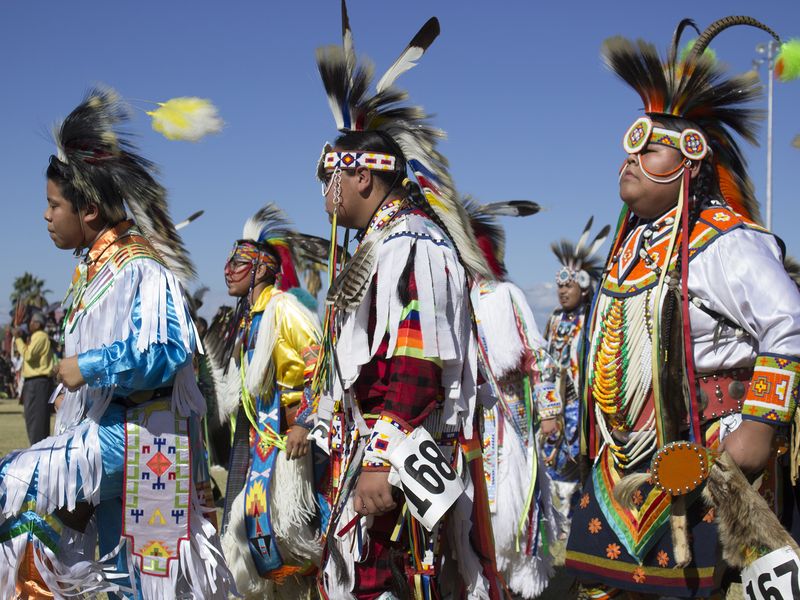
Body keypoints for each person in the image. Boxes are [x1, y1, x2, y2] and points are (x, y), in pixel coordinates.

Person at [564, 17, 800, 598]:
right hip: (625, 464)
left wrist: (758, 427)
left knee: (712, 587)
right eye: (628, 147)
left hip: (714, 450)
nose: (630, 158)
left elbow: (789, 323)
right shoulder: (629, 248)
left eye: (650, 148)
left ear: (691, 163)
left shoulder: (724, 242)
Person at [0, 87, 232, 599]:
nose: (44, 215)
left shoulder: (141, 267)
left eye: (52, 204)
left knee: (11, 485)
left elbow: (172, 351)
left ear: (89, 211)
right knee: (126, 576)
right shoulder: (95, 272)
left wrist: (92, 364)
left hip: (138, 440)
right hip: (114, 441)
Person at [313, 4, 504, 598]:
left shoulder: (411, 244)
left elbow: (417, 360)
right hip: (370, 447)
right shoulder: (384, 243)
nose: (324, 193)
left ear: (362, 178)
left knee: (382, 583)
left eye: (330, 178)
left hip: (393, 452)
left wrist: (380, 459)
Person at [209, 203, 327, 599]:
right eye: (229, 259)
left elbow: (321, 369)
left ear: (262, 268)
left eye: (240, 260)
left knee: (281, 531)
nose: (229, 268)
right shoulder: (250, 317)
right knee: (252, 533)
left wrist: (304, 423)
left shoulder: (287, 310)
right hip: (262, 436)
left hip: (290, 441)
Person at [466, 198, 561, 598]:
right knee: (471, 505)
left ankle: (512, 580)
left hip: (508, 415)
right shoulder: (454, 296)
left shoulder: (506, 294)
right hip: (465, 417)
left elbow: (538, 355)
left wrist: (550, 410)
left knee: (511, 501)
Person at [541, 218, 608, 538]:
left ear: (583, 288)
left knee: (583, 467)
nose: (562, 291)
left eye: (568, 286)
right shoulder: (553, 320)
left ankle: (580, 525)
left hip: (585, 410)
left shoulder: (594, 318)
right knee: (554, 467)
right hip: (554, 410)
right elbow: (545, 365)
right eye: (559, 286)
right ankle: (560, 525)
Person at [14, 311, 55, 444]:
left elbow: (28, 356)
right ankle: (37, 448)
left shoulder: (40, 336)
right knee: (33, 420)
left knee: (37, 422)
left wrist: (18, 340)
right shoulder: (37, 336)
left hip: (38, 383)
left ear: (38, 324)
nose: (29, 324)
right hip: (35, 383)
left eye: (32, 322)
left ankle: (38, 449)